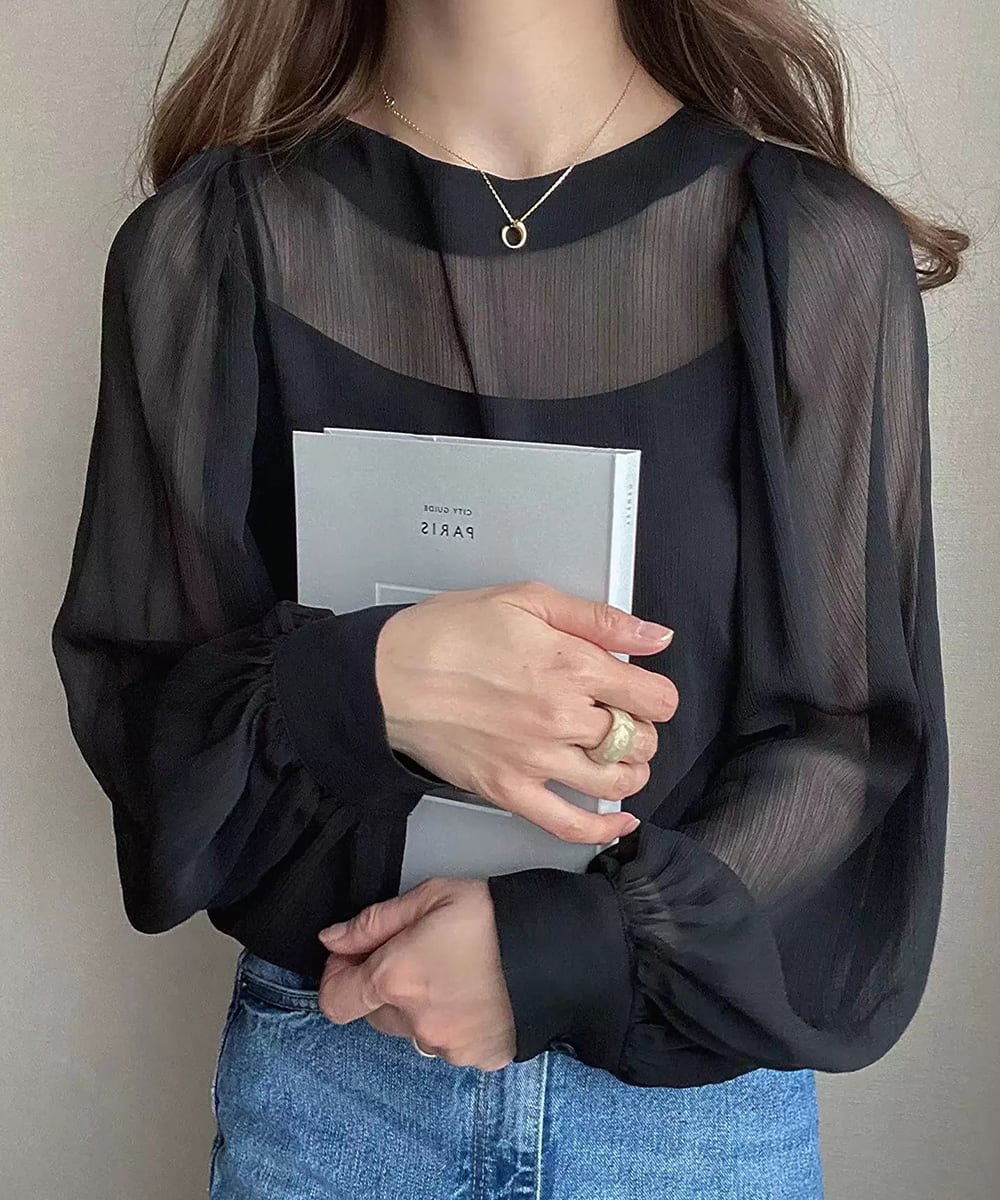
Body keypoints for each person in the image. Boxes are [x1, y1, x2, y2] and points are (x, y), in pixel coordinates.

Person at [51, 0, 965, 1196]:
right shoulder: (208, 244)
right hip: (335, 1076)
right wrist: (365, 682)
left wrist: (566, 948)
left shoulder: (808, 246)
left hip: (683, 1110)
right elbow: (142, 720)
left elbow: (854, 742)